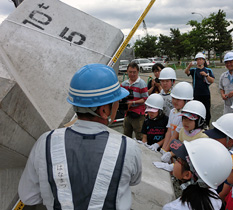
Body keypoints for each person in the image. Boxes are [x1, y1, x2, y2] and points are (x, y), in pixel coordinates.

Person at [18, 64, 142, 210]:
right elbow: (134, 181)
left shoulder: (45, 141)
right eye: (116, 102)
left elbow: (28, 196)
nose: (117, 106)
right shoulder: (128, 147)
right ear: (103, 111)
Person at [162, 138, 232, 210]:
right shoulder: (215, 199)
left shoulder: (172, 208)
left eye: (177, 159)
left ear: (187, 175)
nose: (175, 162)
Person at [204, 113, 233, 200]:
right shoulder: (220, 150)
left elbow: (224, 192)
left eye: (216, 137)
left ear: (231, 141)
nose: (212, 139)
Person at [159, 82, 194, 156]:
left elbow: (175, 135)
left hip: (178, 150)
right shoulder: (172, 111)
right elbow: (169, 132)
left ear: (187, 101)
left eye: (178, 99)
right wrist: (163, 149)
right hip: (170, 147)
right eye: (173, 98)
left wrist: (166, 150)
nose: (174, 101)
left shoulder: (185, 117)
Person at [185, 52, 215, 128]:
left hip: (206, 93)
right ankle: (197, 124)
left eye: (201, 59)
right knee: (196, 109)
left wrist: (206, 75)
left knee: (207, 110)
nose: (199, 61)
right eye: (198, 59)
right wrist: (189, 66)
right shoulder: (194, 70)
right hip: (196, 93)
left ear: (204, 61)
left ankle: (207, 124)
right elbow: (186, 72)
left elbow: (212, 80)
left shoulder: (208, 70)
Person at [121, 62, 148, 140]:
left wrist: (133, 102)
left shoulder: (142, 84)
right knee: (126, 135)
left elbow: (145, 99)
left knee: (140, 136)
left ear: (138, 72)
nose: (132, 74)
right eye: (130, 72)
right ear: (127, 72)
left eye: (134, 72)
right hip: (127, 114)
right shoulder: (124, 84)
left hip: (138, 115)